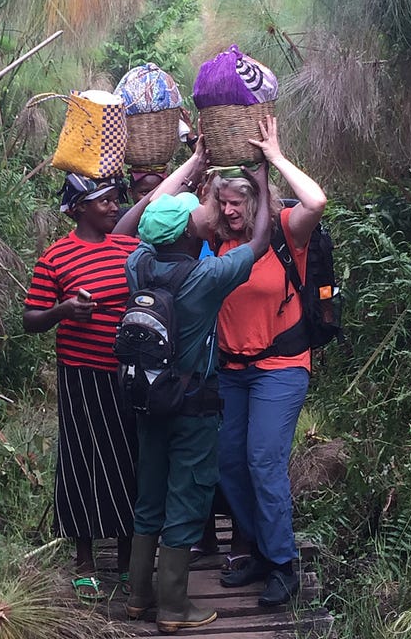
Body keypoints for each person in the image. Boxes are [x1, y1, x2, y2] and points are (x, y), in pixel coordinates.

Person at [121, 143, 273, 634]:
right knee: (187, 497)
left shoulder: (138, 264)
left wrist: (193, 166)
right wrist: (264, 187)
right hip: (193, 405)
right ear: (189, 232)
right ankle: (174, 607)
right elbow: (261, 242)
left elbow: (147, 217)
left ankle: (138, 596)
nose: (210, 214)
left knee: (149, 497)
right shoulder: (207, 276)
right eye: (199, 213)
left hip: (148, 398)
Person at [211, 115, 327, 607]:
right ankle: (259, 548)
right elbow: (155, 208)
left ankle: (283, 563)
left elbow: (316, 201)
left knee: (263, 461)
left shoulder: (283, 230)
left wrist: (275, 159)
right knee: (229, 463)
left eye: (238, 202)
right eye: (223, 201)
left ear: (255, 200)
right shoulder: (213, 235)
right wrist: (200, 163)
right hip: (232, 370)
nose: (230, 209)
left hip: (280, 367)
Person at [22, 172, 138, 602]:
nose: (113, 207)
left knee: (130, 458)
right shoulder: (56, 258)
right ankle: (85, 560)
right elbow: (30, 320)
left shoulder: (129, 248)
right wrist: (64, 310)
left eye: (115, 200)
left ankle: (129, 564)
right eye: (105, 201)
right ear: (80, 208)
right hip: (81, 374)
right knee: (81, 460)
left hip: (128, 373)